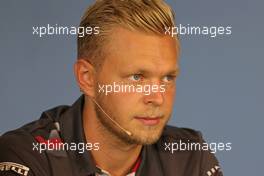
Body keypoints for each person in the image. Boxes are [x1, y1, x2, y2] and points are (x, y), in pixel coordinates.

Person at [0, 0, 223, 175]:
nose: (157, 98)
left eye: (167, 78)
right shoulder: (27, 157)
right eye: (137, 77)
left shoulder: (190, 158)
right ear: (87, 78)